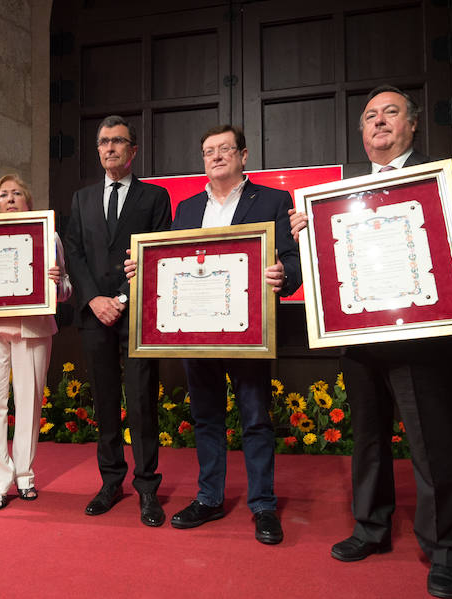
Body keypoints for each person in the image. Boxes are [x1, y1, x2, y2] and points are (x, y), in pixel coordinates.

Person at [289, 86, 452, 598]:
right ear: (362, 134)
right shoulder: (339, 196)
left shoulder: (444, 177)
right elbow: (327, 268)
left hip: (423, 340)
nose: (379, 122)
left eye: (390, 113)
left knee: (433, 446)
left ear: (412, 126)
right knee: (367, 441)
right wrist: (308, 234)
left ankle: (449, 548)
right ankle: (371, 528)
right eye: (369, 117)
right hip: (360, 340)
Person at [127, 124, 301, 545]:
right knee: (206, 418)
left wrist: (284, 275)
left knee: (256, 419)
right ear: (203, 160)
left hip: (250, 331)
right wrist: (141, 272)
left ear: (243, 156)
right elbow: (168, 265)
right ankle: (209, 498)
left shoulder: (275, 200)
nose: (217, 156)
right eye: (209, 151)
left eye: (225, 149)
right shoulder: (185, 209)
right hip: (197, 332)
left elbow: (293, 260)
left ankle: (263, 505)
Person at [63, 115, 172, 527]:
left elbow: (161, 255)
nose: (109, 148)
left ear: (133, 150)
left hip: (138, 317)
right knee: (105, 402)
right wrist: (93, 299)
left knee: (142, 403)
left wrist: (121, 299)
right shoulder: (82, 198)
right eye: (103, 142)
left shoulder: (155, 198)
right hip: (94, 317)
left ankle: (147, 489)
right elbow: (74, 252)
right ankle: (110, 482)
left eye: (117, 142)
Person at [0, 174, 72, 510]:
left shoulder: (48, 234)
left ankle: (25, 475)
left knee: (29, 405)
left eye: (16, 193)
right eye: (3, 194)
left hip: (33, 329)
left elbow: (67, 289)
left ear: (28, 200)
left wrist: (57, 284)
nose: (9, 198)